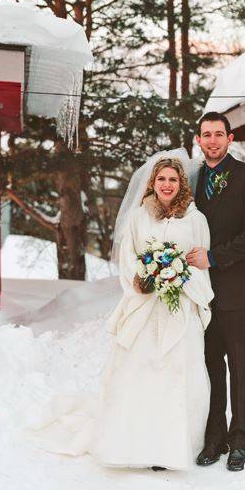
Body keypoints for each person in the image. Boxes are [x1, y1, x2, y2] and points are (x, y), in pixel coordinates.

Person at [28, 154, 213, 471]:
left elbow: (200, 261)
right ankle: (136, 442)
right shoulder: (140, 217)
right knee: (142, 371)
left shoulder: (196, 220)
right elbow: (129, 258)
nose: (167, 184)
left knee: (179, 372)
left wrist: (178, 277)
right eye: (161, 179)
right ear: (153, 184)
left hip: (180, 305)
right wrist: (148, 279)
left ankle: (174, 445)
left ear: (181, 183)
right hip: (146, 305)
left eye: (172, 179)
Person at [186, 111, 245, 472]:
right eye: (206, 135)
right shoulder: (191, 179)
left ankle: (240, 440)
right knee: (209, 365)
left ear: (230, 138)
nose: (212, 140)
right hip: (202, 293)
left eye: (219, 134)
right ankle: (215, 438)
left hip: (239, 286)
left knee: (240, 364)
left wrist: (215, 258)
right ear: (199, 140)